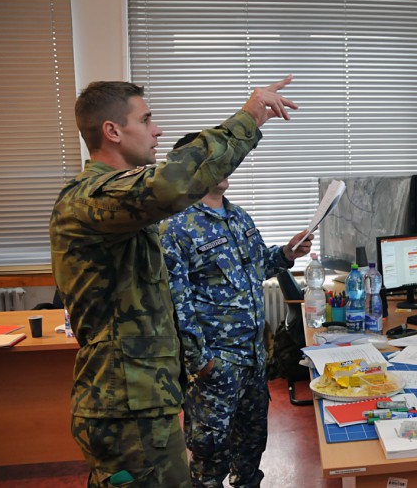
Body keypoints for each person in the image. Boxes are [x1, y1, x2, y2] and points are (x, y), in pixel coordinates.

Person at [50, 76, 297, 487]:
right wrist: (249, 117)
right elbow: (173, 183)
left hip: (147, 399)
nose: (157, 130)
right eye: (146, 120)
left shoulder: (120, 203)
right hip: (125, 405)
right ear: (112, 131)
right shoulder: (93, 197)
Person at [159, 132, 313, 487]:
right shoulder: (177, 226)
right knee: (209, 461)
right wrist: (203, 363)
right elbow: (176, 304)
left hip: (253, 362)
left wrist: (288, 254)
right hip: (215, 370)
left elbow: (259, 265)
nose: (225, 165)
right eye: (213, 158)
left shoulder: (237, 216)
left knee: (251, 452)